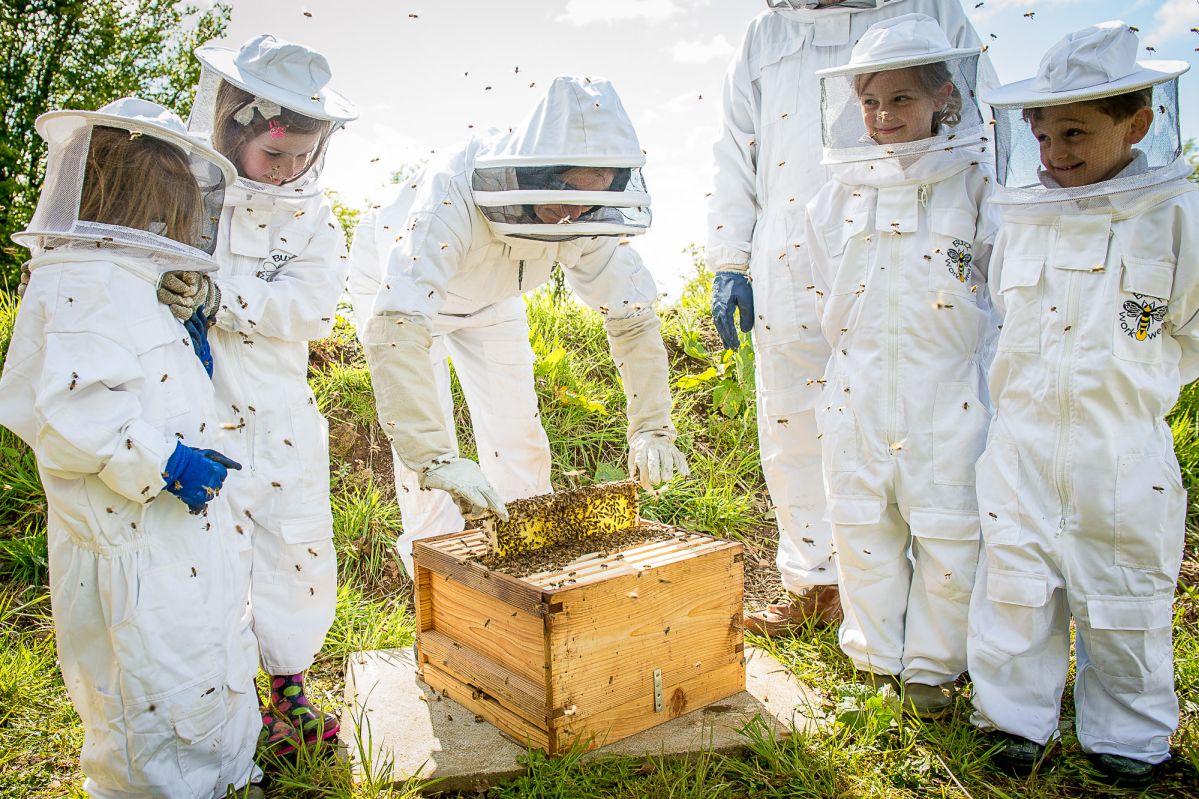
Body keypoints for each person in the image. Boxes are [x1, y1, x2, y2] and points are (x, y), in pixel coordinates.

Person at [0, 97, 262, 798]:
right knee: (148, 682)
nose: (177, 221)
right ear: (126, 195)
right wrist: (168, 463)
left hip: (173, 531)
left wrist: (199, 331)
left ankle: (227, 777)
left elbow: (165, 380)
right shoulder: (77, 282)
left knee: (204, 651)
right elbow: (73, 414)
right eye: (167, 201)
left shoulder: (135, 279)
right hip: (126, 535)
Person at [709, 0, 991, 635]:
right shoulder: (767, 31)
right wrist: (730, 257)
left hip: (916, 245)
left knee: (922, 425)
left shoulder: (932, 9)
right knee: (793, 422)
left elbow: (985, 123)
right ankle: (815, 582)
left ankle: (927, 602)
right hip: (787, 248)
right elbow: (735, 145)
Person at [966, 21, 1196, 787]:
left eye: (1075, 132)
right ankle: (1011, 720)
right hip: (1021, 445)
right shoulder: (1019, 218)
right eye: (1042, 134)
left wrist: (1139, 385)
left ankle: (1129, 736)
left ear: (1138, 123)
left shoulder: (1176, 218)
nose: (1055, 152)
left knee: (1124, 593)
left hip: (1122, 452)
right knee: (1015, 590)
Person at [350, 75, 688, 575]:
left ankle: (530, 576)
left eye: (592, 199)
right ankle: (435, 580)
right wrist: (434, 457)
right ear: (538, 172)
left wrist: (654, 427)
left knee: (519, 439)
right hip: (401, 296)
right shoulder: (451, 194)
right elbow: (398, 325)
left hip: (495, 300)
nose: (574, 213)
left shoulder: (583, 216)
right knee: (428, 457)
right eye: (569, 193)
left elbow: (631, 320)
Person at [154, 33, 358, 755]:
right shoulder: (183, 194)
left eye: (304, 155)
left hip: (281, 416)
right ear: (233, 126)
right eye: (276, 154)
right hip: (199, 413)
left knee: (295, 551)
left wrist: (222, 295)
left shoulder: (314, 217)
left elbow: (312, 307)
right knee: (208, 562)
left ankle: (290, 690)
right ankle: (229, 703)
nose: (290, 168)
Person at [805, 13, 996, 718]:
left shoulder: (975, 184)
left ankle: (934, 672)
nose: (883, 115)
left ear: (944, 96)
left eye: (901, 100)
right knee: (860, 526)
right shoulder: (838, 194)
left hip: (947, 392)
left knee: (949, 532)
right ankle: (877, 663)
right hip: (856, 390)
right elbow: (824, 284)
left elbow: (996, 290)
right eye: (870, 102)